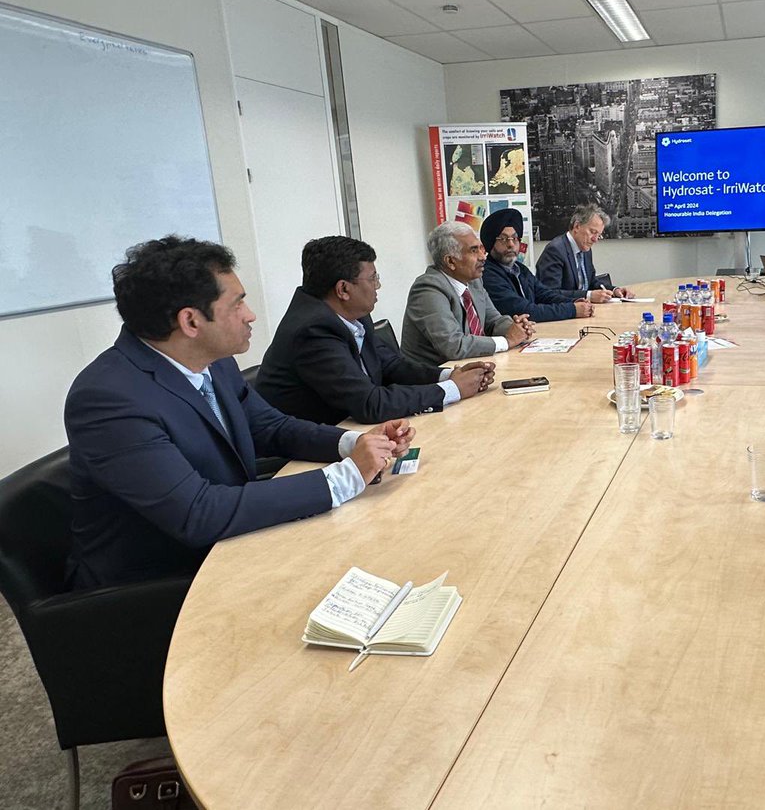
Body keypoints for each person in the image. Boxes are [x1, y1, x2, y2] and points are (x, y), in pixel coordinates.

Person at [64, 236, 413, 590]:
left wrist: (356, 442)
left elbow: (271, 427)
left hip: (231, 541)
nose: (251, 315)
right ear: (191, 322)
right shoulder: (108, 398)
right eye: (237, 305)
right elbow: (198, 513)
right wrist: (348, 476)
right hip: (157, 583)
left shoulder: (214, 363)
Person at [256, 235, 494, 425]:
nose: (378, 285)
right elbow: (370, 404)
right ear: (343, 289)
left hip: (351, 430)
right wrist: (452, 389)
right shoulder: (312, 331)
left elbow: (391, 366)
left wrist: (449, 376)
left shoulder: (353, 313)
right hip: (305, 452)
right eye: (373, 278)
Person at [402, 221, 536, 366]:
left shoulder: (473, 281)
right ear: (450, 261)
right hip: (433, 379)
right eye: (473, 250)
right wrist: (507, 341)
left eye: (481, 248)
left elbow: (493, 321)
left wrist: (515, 328)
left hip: (471, 368)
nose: (483, 257)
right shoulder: (427, 289)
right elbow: (453, 345)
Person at [479, 208, 594, 322]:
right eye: (503, 239)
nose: (511, 244)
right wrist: (572, 310)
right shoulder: (487, 274)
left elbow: (544, 294)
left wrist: (574, 302)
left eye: (514, 238)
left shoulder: (519, 268)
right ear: (491, 243)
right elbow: (525, 310)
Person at [535, 204, 634, 300]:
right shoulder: (555, 250)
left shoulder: (585, 249)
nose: (595, 239)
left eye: (599, 235)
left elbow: (591, 282)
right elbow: (550, 293)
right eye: (593, 232)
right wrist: (589, 295)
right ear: (577, 226)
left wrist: (614, 290)